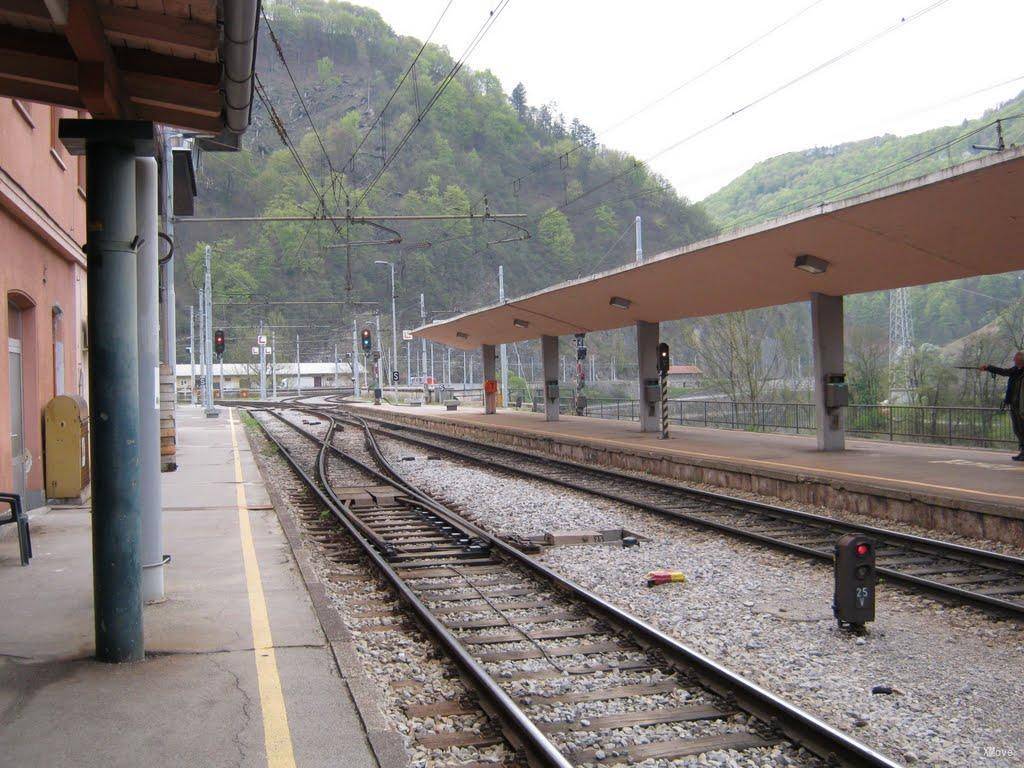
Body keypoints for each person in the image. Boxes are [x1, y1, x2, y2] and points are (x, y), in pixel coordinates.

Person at [981, 351, 1024, 460]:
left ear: (1021, 360)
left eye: (1015, 358)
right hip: (1014, 405)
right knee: (1018, 429)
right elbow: (1003, 372)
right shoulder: (1016, 370)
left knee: (1022, 429)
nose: (1014, 360)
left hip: (1022, 406)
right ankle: (1022, 451)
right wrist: (988, 368)